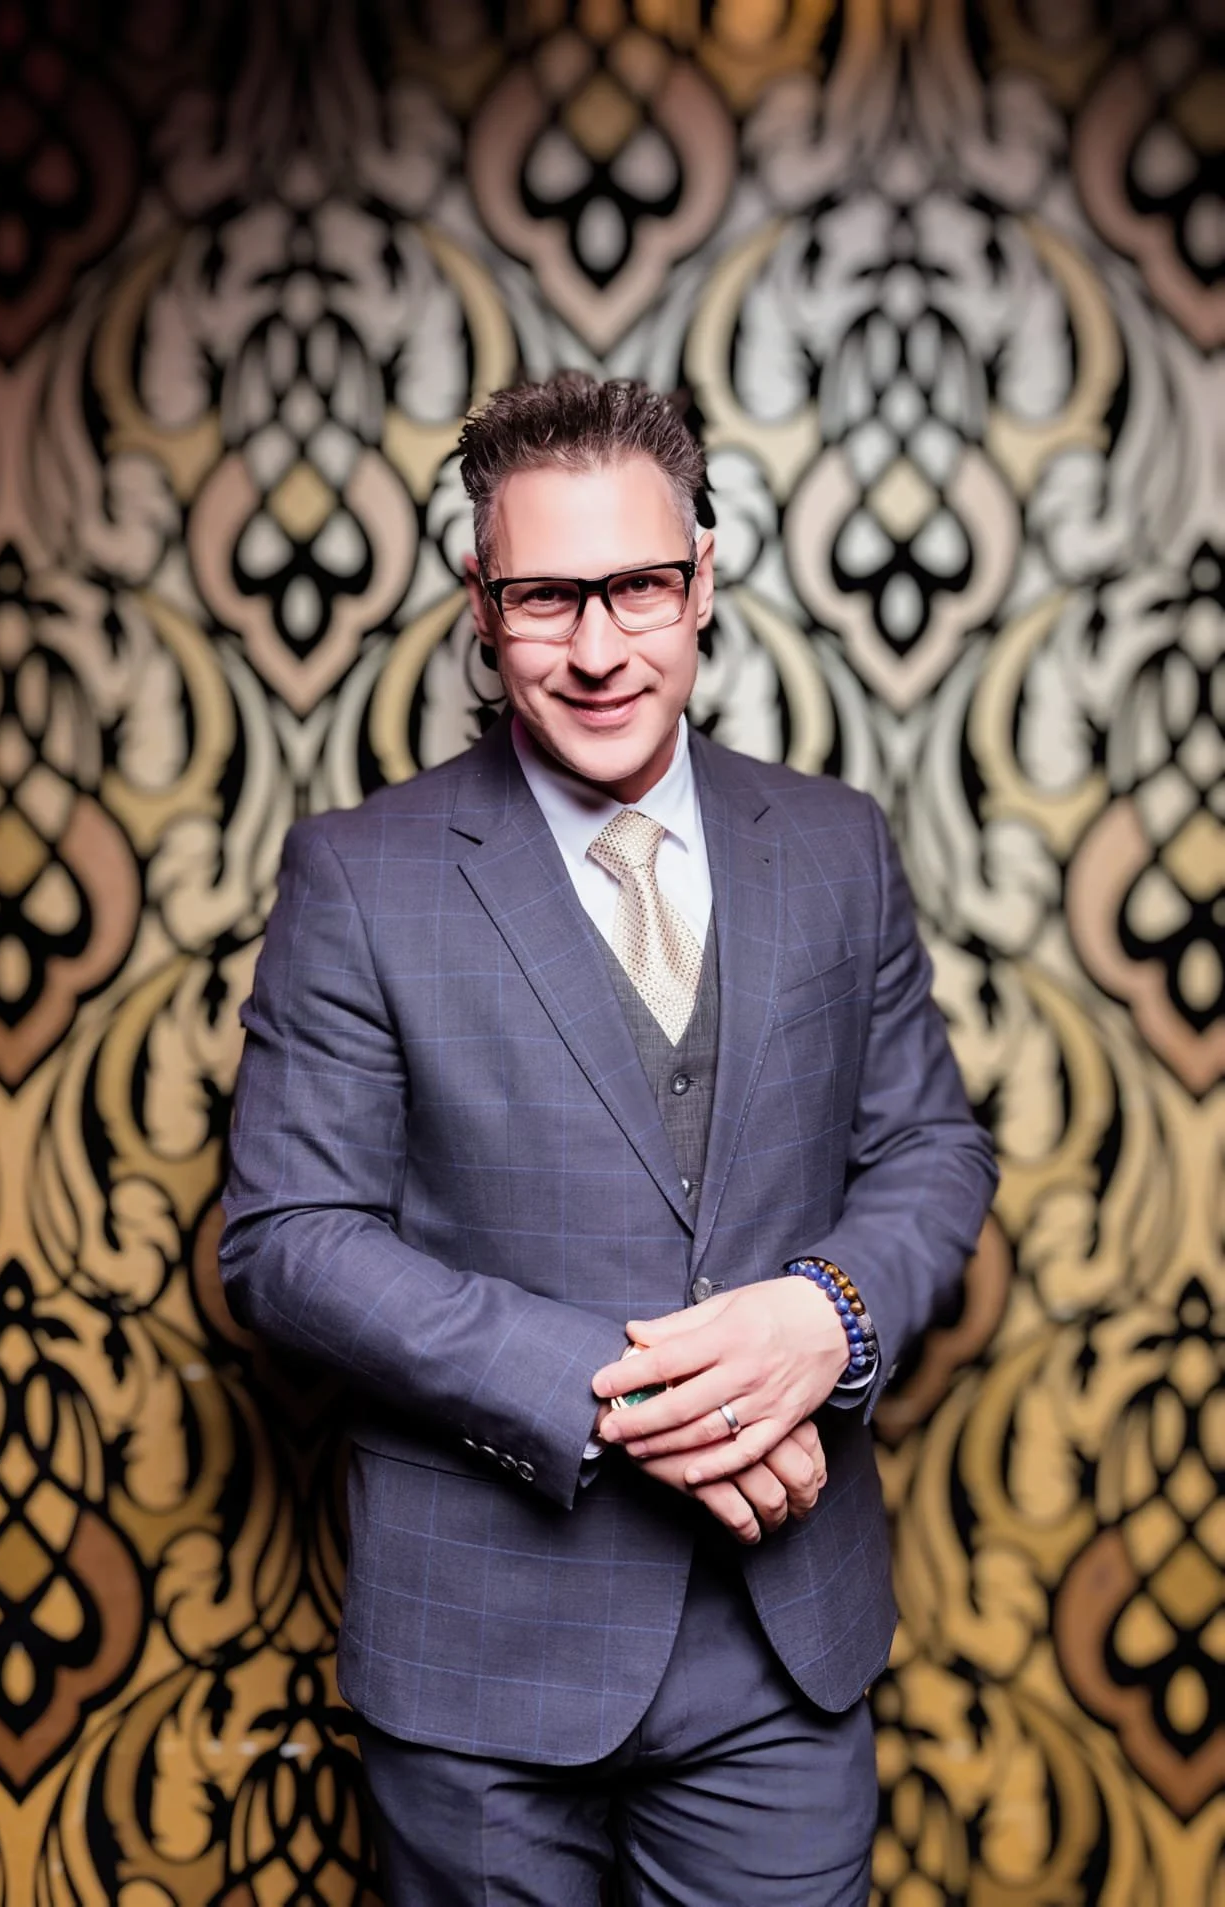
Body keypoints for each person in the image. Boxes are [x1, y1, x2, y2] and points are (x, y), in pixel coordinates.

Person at [219, 373, 998, 1906]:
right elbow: (286, 1241)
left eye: (637, 586)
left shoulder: (834, 842)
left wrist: (825, 1315)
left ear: (700, 578)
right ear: (479, 601)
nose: (595, 649)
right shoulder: (359, 876)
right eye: (545, 598)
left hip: (784, 1642)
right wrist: (637, 1397)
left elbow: (930, 1149)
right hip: (482, 1656)